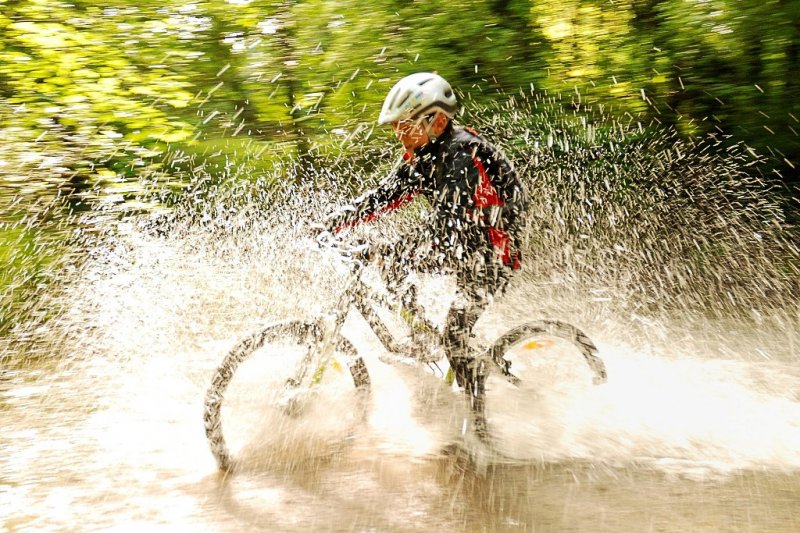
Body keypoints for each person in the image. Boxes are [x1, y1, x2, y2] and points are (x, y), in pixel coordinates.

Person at [324, 72, 526, 390]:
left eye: (405, 124)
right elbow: (383, 197)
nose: (399, 134)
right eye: (395, 127)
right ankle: (421, 335)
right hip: (461, 238)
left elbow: (451, 225)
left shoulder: (462, 155)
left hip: (492, 251)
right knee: (389, 259)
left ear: (438, 122)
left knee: (455, 339)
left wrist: (384, 249)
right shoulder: (423, 156)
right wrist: (332, 223)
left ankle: (477, 424)